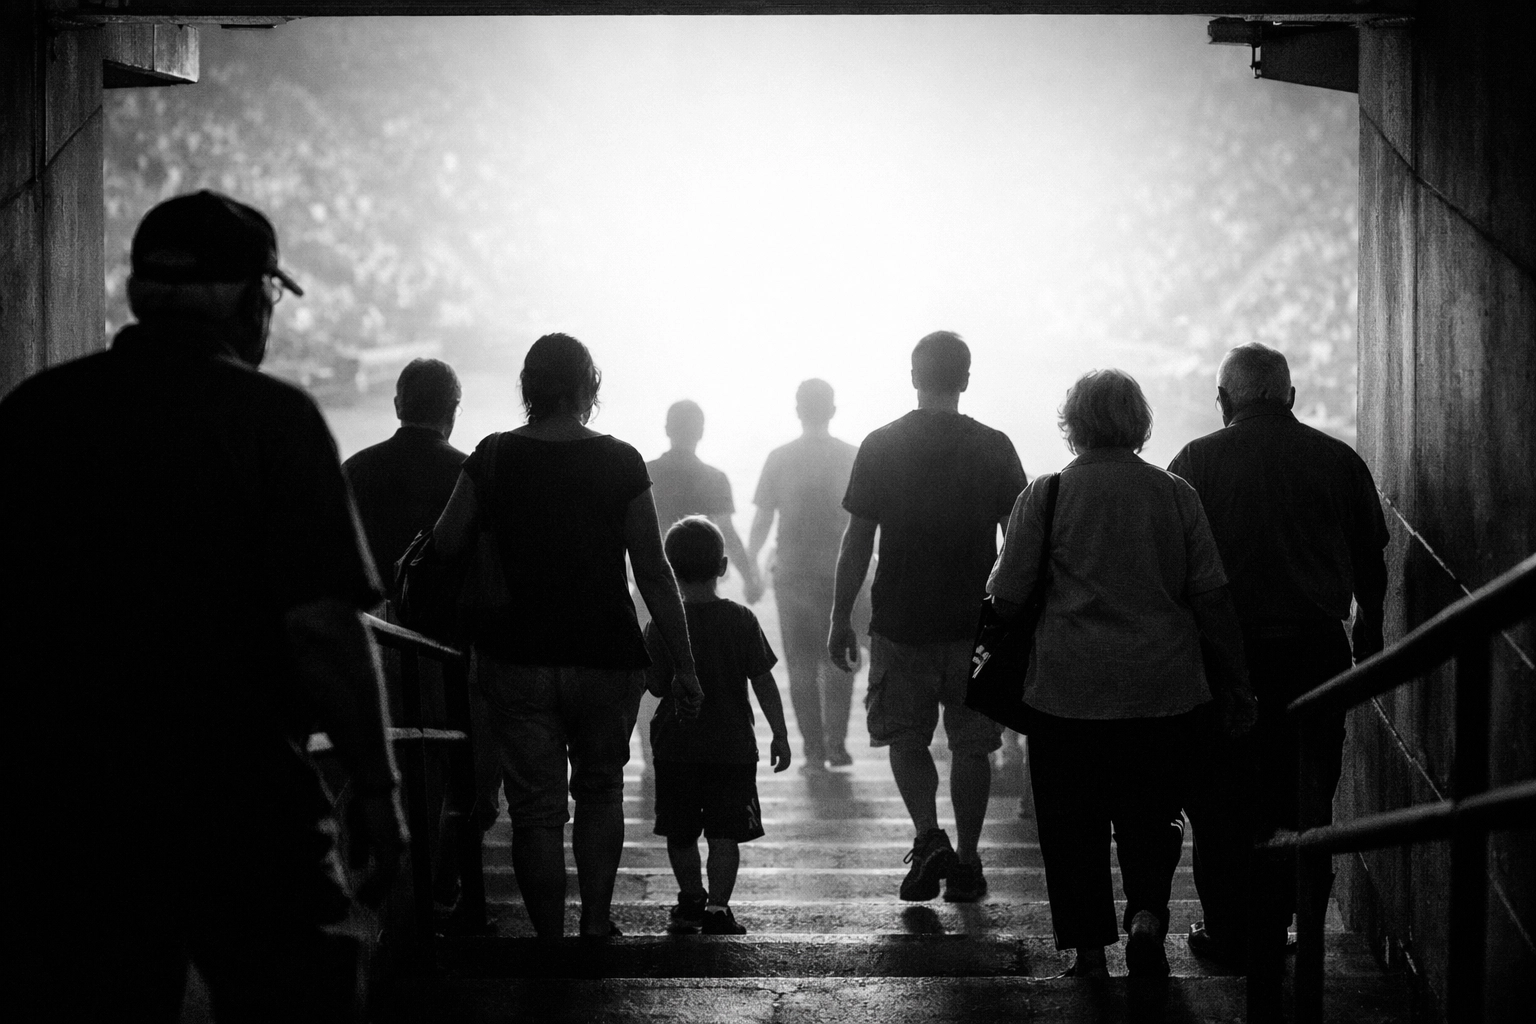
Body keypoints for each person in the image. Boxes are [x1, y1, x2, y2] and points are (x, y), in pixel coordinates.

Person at [1, 190, 406, 1022]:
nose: (271, 314)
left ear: (138, 293)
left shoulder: (35, 412)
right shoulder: (273, 420)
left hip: (71, 802)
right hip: (243, 795)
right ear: (245, 298)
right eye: (271, 293)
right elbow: (320, 627)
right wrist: (377, 786)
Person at [987, 368, 1254, 985]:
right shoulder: (1175, 494)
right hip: (1163, 690)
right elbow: (1211, 597)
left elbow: (1005, 597)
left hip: (1065, 694)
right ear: (1139, 423)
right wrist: (1237, 683)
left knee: (1071, 826)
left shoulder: (1046, 494)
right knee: (1151, 816)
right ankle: (1147, 918)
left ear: (1073, 424)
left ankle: (1088, 955)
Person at [431, 332, 702, 940]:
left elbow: (445, 544)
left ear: (529, 388)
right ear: (587, 388)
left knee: (535, 810)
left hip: (516, 656)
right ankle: (596, 923)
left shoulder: (493, 454)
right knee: (601, 790)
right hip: (605, 655)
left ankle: (549, 939)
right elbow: (653, 569)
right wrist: (685, 666)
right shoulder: (621, 460)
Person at [1169, 342, 1388, 981]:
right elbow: (1371, 558)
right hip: (1315, 655)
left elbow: (1175, 567)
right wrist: (1369, 626)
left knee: (1221, 796)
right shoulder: (1338, 460)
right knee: (1306, 793)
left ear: (1223, 399)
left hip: (1225, 658)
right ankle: (1288, 923)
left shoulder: (1195, 463)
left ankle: (1230, 927)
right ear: (1290, 397)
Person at [828, 330, 1026, 903]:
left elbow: (857, 540)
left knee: (906, 736)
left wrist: (841, 616)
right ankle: (967, 859)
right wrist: (1019, 617)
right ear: (965, 379)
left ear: (914, 377)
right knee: (973, 745)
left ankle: (927, 834)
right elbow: (1018, 541)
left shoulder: (881, 445)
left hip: (901, 620)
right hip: (975, 624)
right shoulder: (994, 447)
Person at [644, 517, 791, 935]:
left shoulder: (661, 623)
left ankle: (691, 897)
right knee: (725, 834)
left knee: (680, 831)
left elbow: (655, 685)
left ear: (670, 570)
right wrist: (779, 734)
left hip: (676, 746)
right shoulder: (741, 619)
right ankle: (718, 909)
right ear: (723, 566)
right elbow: (763, 682)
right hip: (732, 748)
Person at [637, 399, 763, 778]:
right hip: (700, 596)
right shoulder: (713, 478)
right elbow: (728, 533)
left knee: (650, 672)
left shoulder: (645, 472)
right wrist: (749, 575)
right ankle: (697, 746)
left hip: (649, 589)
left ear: (667, 429)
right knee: (699, 667)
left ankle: (653, 753)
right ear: (701, 432)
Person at [747, 379, 860, 770]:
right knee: (841, 658)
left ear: (797, 410)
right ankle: (837, 744)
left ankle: (813, 748)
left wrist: (751, 566)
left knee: (800, 665)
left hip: (792, 574)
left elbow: (763, 519)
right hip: (841, 575)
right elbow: (868, 523)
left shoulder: (780, 458)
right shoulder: (852, 456)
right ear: (833, 410)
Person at [344, 357, 466, 596]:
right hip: (440, 614)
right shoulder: (469, 475)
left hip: (371, 611)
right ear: (452, 410)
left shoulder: (353, 469)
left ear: (398, 406)